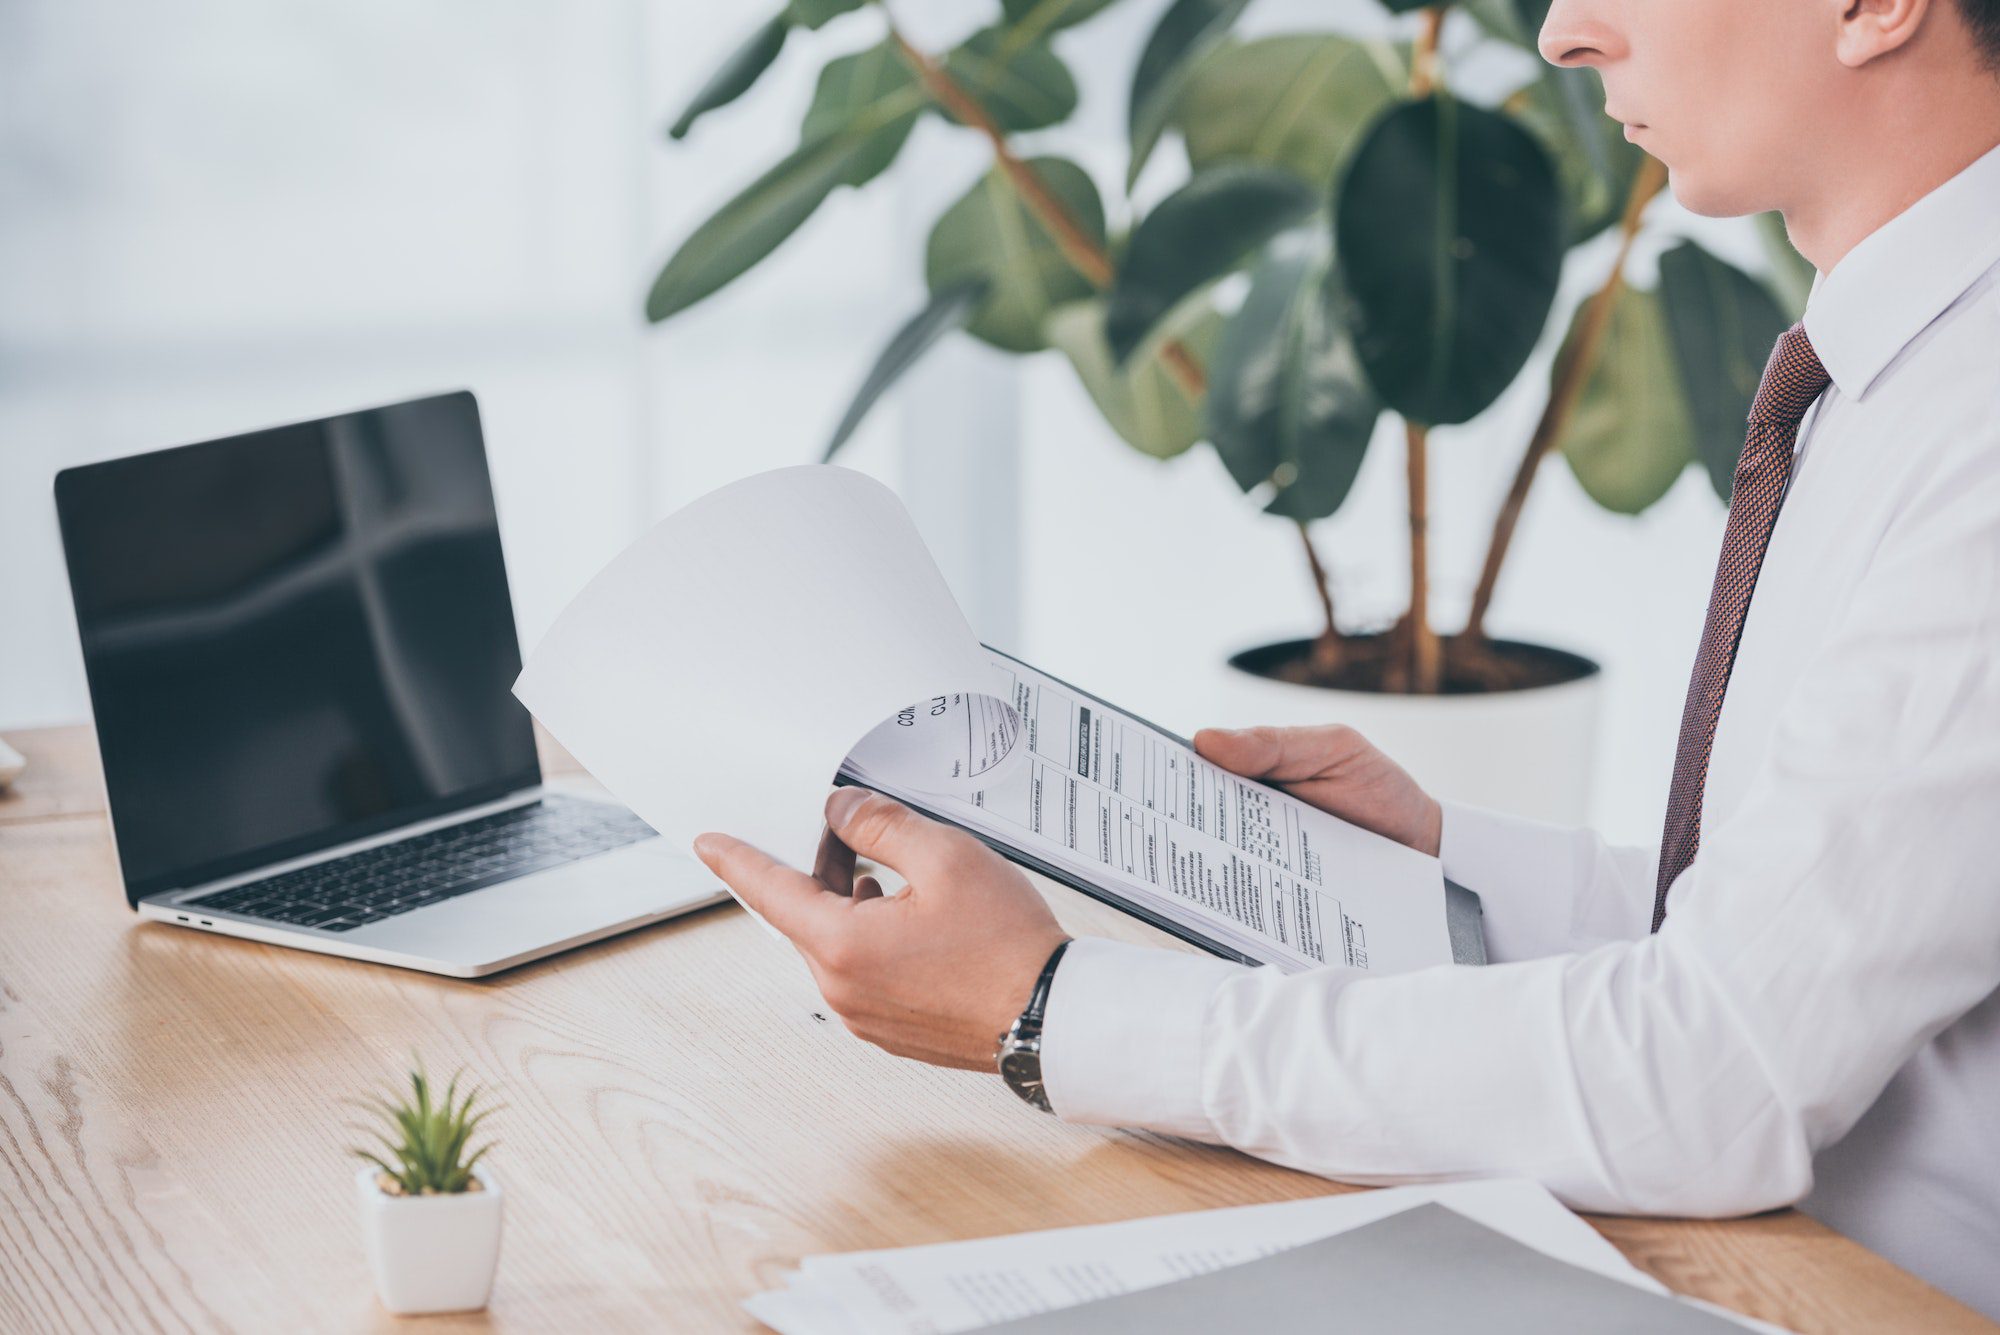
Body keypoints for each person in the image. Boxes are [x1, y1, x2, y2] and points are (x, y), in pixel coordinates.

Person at [693, 0, 2000, 1317]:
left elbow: (1716, 1076)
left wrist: (1050, 1009)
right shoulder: (1912, 362)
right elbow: (1793, 946)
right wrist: (1438, 858)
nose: (1563, 34)